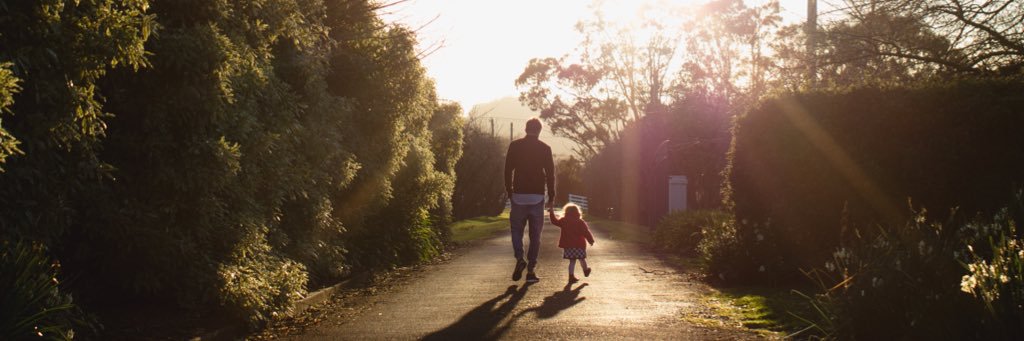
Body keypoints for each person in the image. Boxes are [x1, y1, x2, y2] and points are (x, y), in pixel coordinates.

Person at [504, 117, 555, 283]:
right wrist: (552, 194)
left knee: (516, 231)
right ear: (539, 131)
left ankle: (520, 258)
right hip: (537, 196)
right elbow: (550, 174)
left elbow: (507, 170)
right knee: (535, 235)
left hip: (518, 195)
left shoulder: (515, 146)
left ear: (526, 129)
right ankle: (531, 270)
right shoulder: (545, 148)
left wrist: (509, 190)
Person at [549, 203, 595, 284]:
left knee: (572, 261)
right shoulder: (580, 222)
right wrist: (590, 240)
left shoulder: (564, 221)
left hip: (568, 245)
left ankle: (571, 276)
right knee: (582, 258)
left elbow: (554, 221)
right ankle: (586, 270)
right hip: (579, 245)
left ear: (566, 212)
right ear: (577, 212)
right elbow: (586, 232)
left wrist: (551, 212)